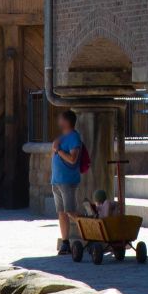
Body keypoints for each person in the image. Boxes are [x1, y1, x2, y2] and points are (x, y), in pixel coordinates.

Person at [51, 107, 85, 253]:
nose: (58, 120)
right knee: (61, 212)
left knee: (70, 211)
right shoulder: (63, 137)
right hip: (57, 180)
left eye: (60, 118)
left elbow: (73, 159)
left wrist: (58, 150)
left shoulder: (73, 138)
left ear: (66, 121)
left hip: (67, 180)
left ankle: (89, 233)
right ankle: (65, 242)